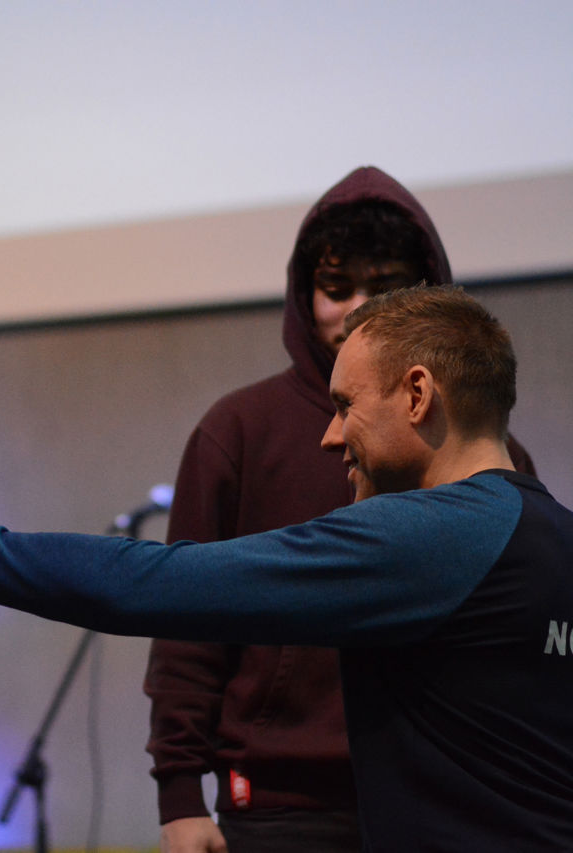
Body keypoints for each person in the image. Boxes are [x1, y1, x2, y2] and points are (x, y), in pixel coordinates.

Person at [0, 286, 573, 852]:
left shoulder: (428, 538)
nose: (330, 436)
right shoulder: (552, 536)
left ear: (417, 394)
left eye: (345, 404)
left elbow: (156, 582)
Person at [143, 166, 535, 853]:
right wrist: (180, 794)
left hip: (453, 797)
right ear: (304, 295)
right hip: (282, 806)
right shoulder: (237, 430)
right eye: (336, 287)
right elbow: (185, 620)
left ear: (428, 291)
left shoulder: (486, 453)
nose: (358, 308)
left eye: (385, 288)